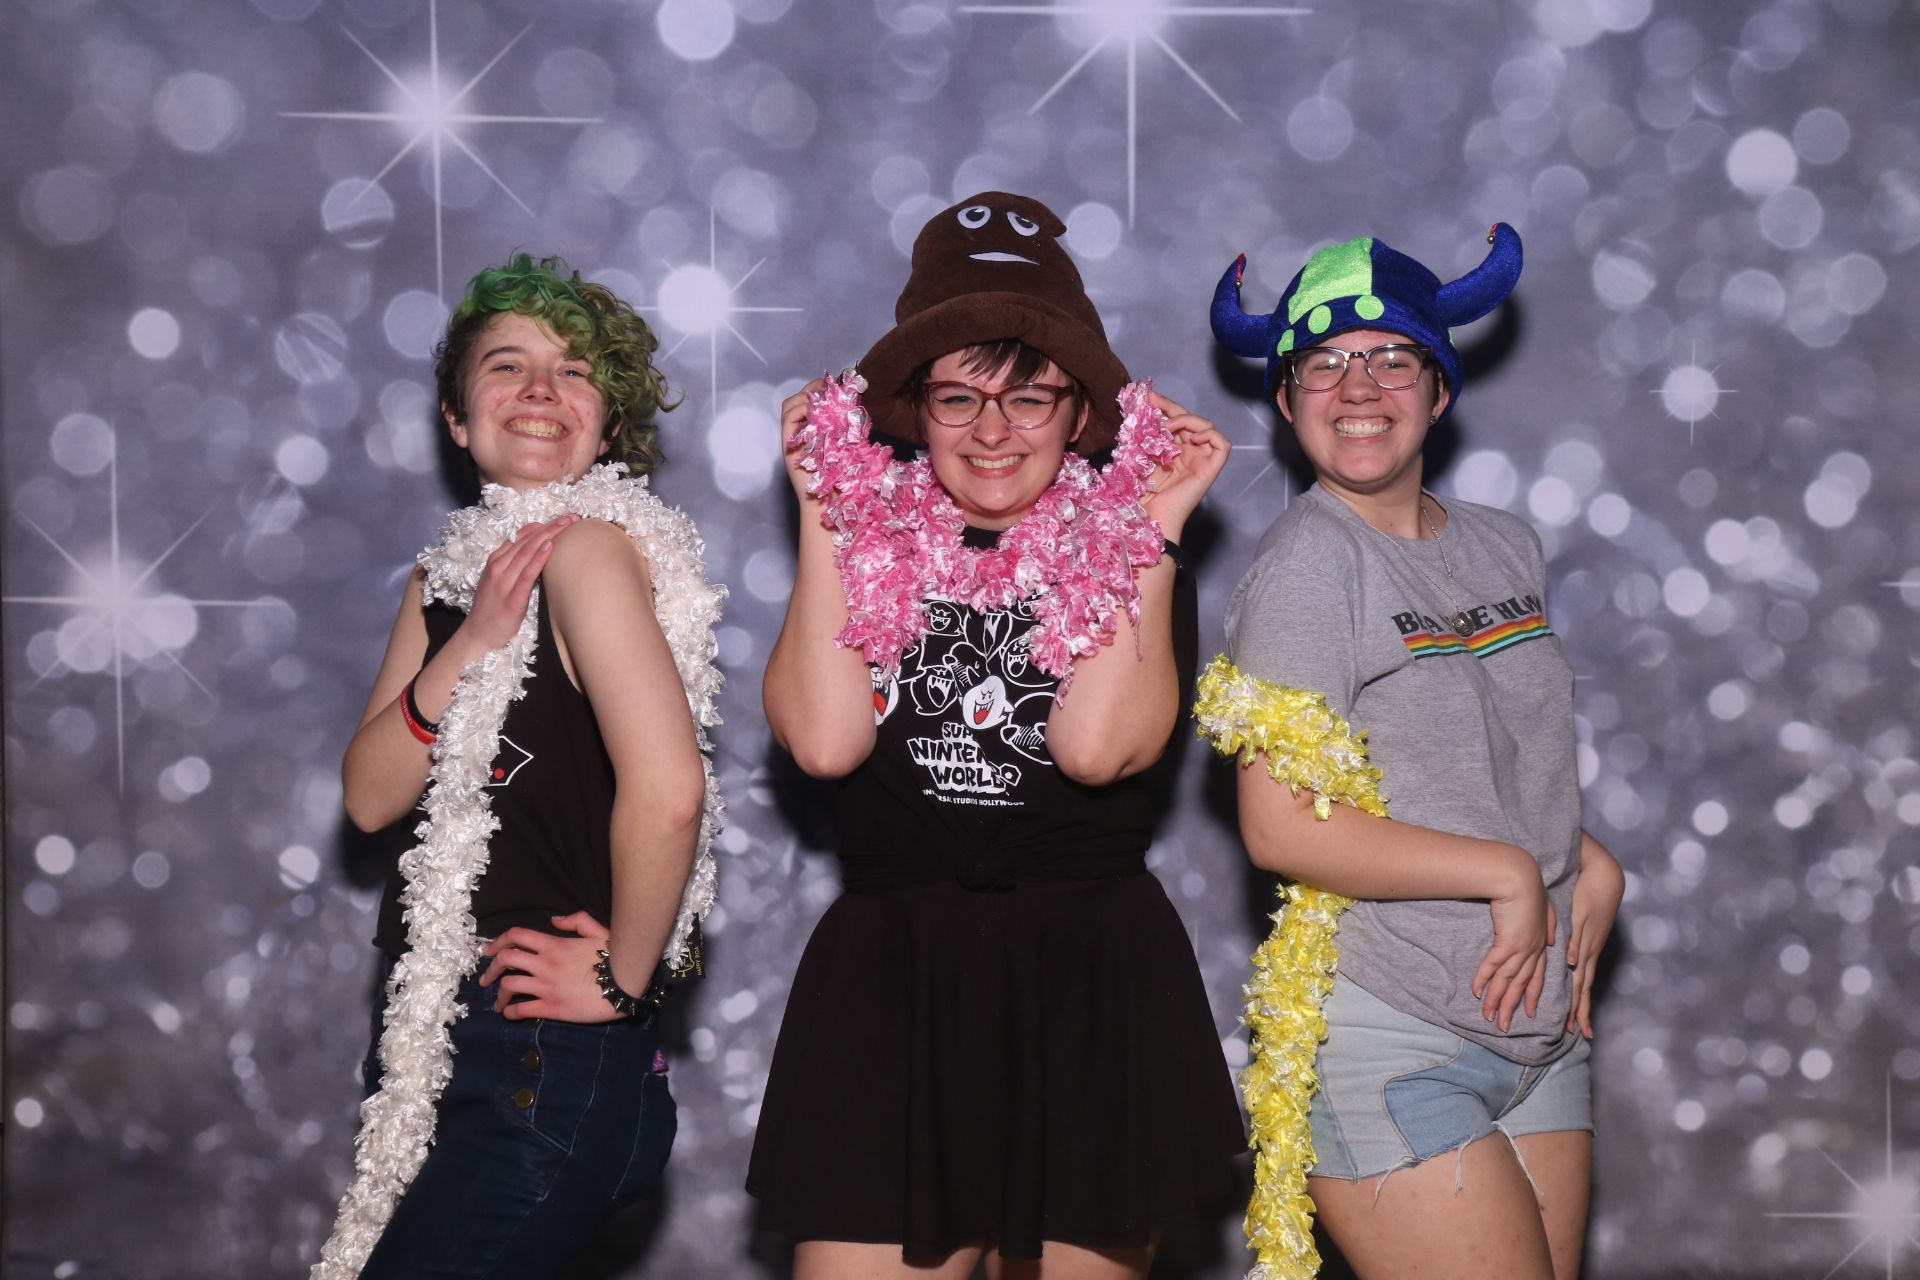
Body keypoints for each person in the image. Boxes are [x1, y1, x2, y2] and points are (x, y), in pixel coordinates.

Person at [749, 193, 1244, 1279]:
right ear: (914, 409)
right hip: (895, 983)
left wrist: (1153, 528)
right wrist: (824, 505)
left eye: (1028, 396)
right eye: (958, 396)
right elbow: (824, 745)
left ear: (1079, 413)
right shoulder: (860, 534)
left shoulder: (1135, 547)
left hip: (1086, 987)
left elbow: (1098, 752)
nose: (991, 430)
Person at [1201, 227, 1624, 1280]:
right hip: (1395, 1025)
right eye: (1324, 363)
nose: (1359, 387)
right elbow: (1280, 825)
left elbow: (1476, 751)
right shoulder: (1309, 566)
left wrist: (1582, 857)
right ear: (1287, 398)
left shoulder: (1503, 544)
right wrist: (1508, 872)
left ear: (1439, 391)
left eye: (1393, 358)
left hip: (1536, 1029)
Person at [314, 253, 726, 1280]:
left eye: (575, 370)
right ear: (456, 419)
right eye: (507, 364)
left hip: (542, 1058)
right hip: (445, 1042)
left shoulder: (590, 551)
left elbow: (672, 792)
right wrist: (474, 638)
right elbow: (369, 797)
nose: (541, 388)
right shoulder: (445, 580)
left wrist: (624, 982)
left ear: (609, 427)